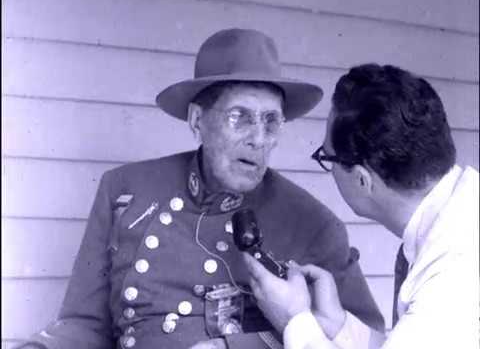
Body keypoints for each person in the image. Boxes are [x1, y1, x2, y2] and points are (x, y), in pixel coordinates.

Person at [16, 30, 384, 349]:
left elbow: (359, 339)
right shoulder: (126, 191)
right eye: (239, 117)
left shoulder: (312, 225)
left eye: (271, 121)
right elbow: (85, 324)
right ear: (197, 121)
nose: (258, 139)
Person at [242, 63, 479, 348]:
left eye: (326, 157)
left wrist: (293, 320)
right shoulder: (461, 216)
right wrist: (338, 325)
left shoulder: (452, 273)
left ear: (361, 179)